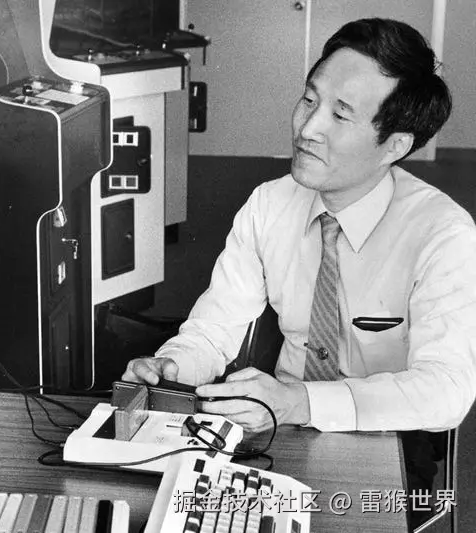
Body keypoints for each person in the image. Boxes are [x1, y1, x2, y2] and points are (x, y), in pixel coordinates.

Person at [122, 18, 476, 527]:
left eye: (340, 115)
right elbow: (215, 329)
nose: (308, 129)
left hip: (385, 439)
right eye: (309, 100)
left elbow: (446, 389)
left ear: (395, 145)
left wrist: (301, 402)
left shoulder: (442, 233)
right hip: (272, 430)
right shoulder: (268, 205)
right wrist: (172, 365)